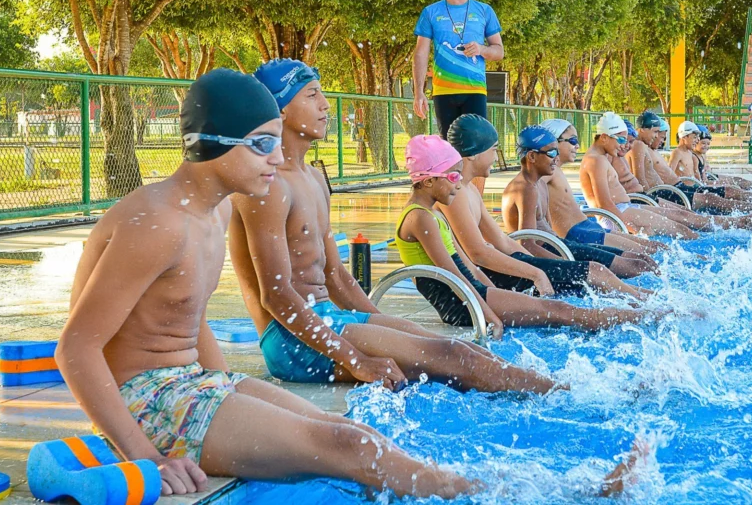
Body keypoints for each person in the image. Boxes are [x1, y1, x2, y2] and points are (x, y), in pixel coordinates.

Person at [56, 69, 476, 499]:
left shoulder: (212, 213)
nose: (276, 158)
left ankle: (470, 489)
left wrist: (223, 389)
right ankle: (479, 494)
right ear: (211, 142)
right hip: (143, 401)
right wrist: (145, 457)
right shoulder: (158, 224)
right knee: (349, 448)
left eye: (275, 141)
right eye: (261, 144)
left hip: (190, 382)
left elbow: (187, 320)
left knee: (349, 430)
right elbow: (75, 348)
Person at [229, 59, 555, 395]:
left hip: (330, 320)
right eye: (312, 95)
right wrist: (356, 359)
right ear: (279, 109)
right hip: (291, 339)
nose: (326, 105)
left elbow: (337, 276)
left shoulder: (312, 178)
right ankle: (561, 397)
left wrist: (382, 326)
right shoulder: (265, 185)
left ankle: (557, 392)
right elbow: (276, 295)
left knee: (464, 349)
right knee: (455, 357)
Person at [397, 134, 659, 334]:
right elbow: (452, 274)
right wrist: (487, 314)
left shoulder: (432, 214)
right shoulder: (420, 218)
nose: (458, 181)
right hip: (458, 303)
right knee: (561, 312)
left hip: (472, 294)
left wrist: (495, 294)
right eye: (453, 176)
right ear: (429, 180)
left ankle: (645, 313)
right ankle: (649, 317)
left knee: (562, 309)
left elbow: (466, 267)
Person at [438, 114, 648, 301]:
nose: (496, 157)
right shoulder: (459, 195)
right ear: (474, 153)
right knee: (598, 275)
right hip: (500, 273)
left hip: (531, 255)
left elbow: (501, 241)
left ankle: (644, 299)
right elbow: (483, 253)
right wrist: (537, 271)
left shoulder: (471, 191)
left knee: (605, 275)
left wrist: (539, 265)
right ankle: (646, 302)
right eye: (494, 150)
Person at [501, 125, 660, 279]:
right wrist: (569, 263)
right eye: (552, 152)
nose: (556, 157)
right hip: (554, 249)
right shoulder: (526, 189)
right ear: (532, 156)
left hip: (560, 244)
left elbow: (549, 231)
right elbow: (527, 244)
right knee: (612, 269)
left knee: (642, 261)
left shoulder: (539, 184)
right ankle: (646, 301)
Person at [538, 119, 669, 255]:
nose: (577, 145)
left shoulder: (556, 171)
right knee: (644, 254)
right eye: (572, 141)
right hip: (578, 234)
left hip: (588, 227)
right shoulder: (547, 174)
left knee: (653, 247)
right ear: (553, 143)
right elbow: (532, 188)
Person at [412, 0, 503, 140]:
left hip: (474, 91)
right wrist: (418, 92)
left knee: (476, 147)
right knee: (449, 149)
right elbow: (420, 54)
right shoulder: (431, 12)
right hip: (443, 91)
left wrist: (481, 49)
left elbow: (499, 51)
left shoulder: (484, 11)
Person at [579, 112, 701, 240]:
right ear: (604, 137)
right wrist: (627, 229)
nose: (623, 145)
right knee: (678, 230)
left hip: (625, 209)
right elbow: (604, 204)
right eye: (621, 140)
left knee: (678, 225)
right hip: (617, 214)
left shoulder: (601, 157)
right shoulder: (595, 161)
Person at [629, 113, 752, 215]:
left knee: (717, 196)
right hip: (665, 192)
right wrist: (651, 202)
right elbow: (640, 179)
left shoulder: (647, 148)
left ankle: (751, 207)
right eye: (657, 133)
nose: (659, 138)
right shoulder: (639, 146)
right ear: (643, 130)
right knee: (711, 199)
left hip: (673, 189)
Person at [665, 122, 752, 213]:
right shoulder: (677, 153)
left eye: (698, 138)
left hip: (696, 186)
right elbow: (669, 174)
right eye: (694, 137)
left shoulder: (689, 153)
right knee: (722, 193)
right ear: (684, 137)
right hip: (688, 190)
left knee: (730, 188)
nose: (697, 141)